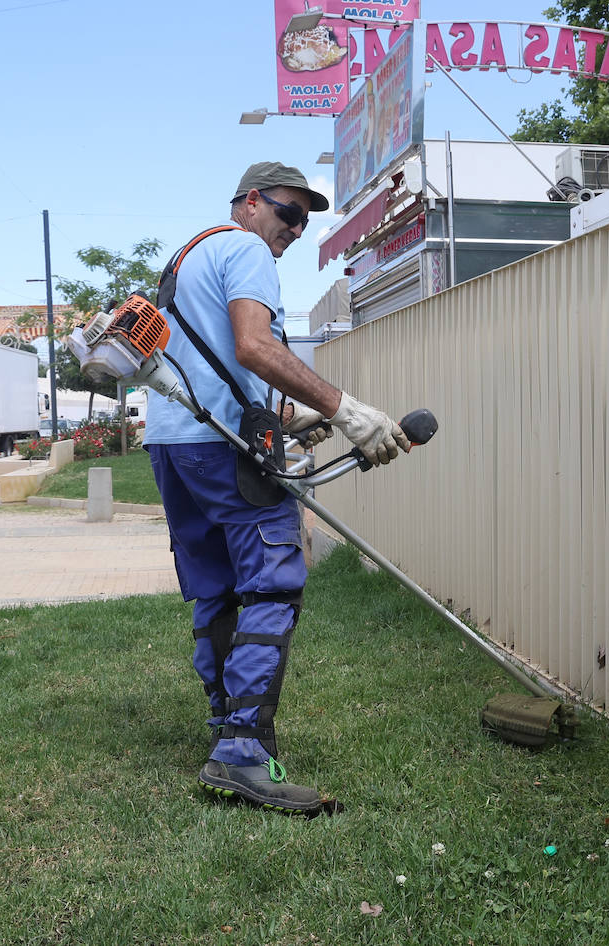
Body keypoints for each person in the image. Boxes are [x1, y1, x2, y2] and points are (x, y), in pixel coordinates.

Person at [143, 161, 409, 815]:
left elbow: (220, 370)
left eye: (305, 219)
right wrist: (348, 410)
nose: (295, 228)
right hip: (220, 453)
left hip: (174, 446)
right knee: (271, 582)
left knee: (217, 588)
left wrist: (299, 420)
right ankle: (242, 754)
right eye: (289, 213)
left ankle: (225, 729)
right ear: (252, 204)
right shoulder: (246, 249)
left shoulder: (186, 260)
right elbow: (256, 347)